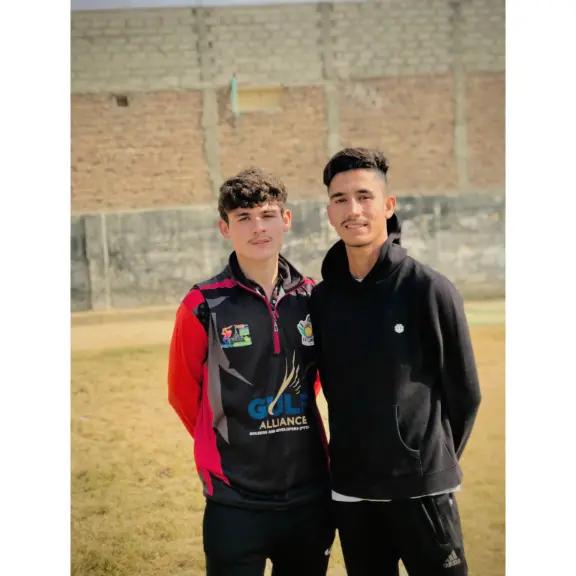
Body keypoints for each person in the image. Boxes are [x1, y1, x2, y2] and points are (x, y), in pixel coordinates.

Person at [309, 148, 481, 576]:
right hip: (352, 493)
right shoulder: (322, 300)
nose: (353, 210)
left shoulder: (429, 289)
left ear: (388, 205)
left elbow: (465, 394)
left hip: (421, 490)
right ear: (329, 213)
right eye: (340, 199)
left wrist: (426, 459)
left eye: (364, 196)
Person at [168, 167, 334, 576]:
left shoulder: (314, 297)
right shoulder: (203, 304)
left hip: (309, 494)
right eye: (243, 218)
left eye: (267, 215)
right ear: (224, 228)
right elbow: (183, 393)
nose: (258, 227)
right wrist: (229, 440)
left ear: (286, 219)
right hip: (234, 500)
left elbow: (315, 379)